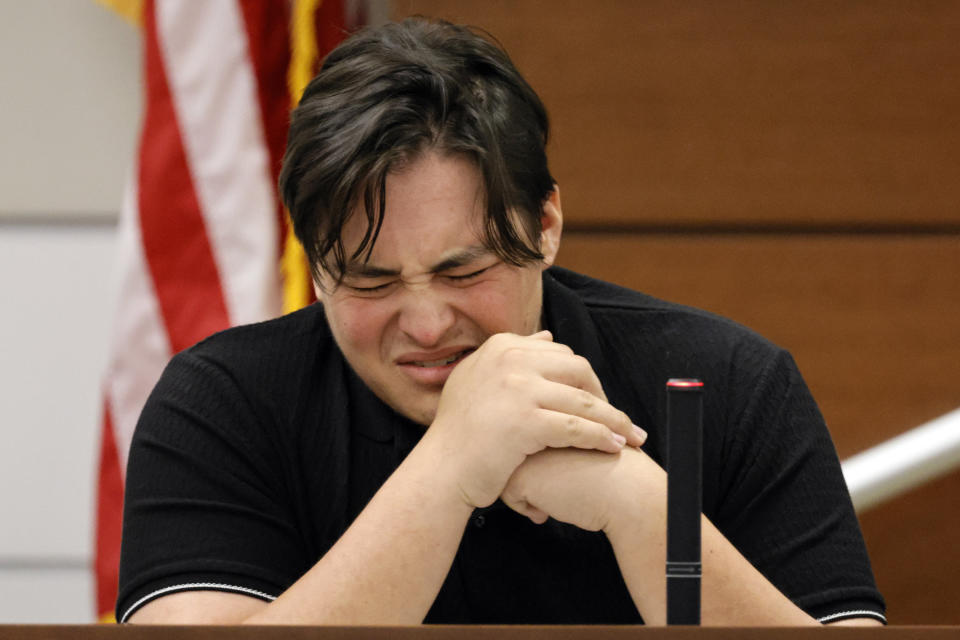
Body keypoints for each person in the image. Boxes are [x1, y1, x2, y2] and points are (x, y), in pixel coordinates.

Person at [116, 18, 885, 626]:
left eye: (463, 271)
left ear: (546, 223)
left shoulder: (729, 381)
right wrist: (452, 466)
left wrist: (642, 507)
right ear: (314, 264)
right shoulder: (218, 404)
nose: (424, 324)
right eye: (369, 280)